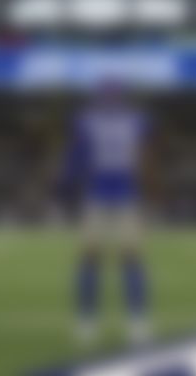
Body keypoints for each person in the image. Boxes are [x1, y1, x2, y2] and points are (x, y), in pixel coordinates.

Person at [58, 80, 152, 347]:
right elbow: (77, 154)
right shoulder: (96, 119)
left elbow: (76, 155)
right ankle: (91, 321)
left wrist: (67, 181)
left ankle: (134, 321)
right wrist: (68, 180)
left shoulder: (128, 119)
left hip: (120, 193)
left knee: (127, 258)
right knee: (95, 258)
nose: (110, 101)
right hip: (103, 194)